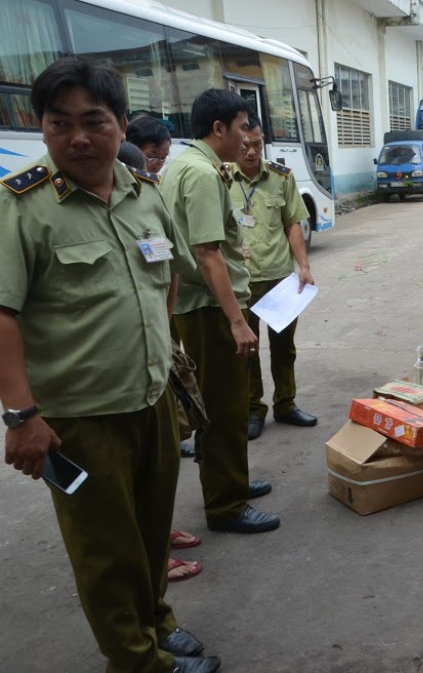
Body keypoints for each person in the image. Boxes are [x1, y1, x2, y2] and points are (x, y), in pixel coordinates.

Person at [0, 57, 219, 672]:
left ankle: (156, 624)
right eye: (58, 122)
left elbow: (168, 277)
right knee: (106, 548)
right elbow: (2, 316)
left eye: (93, 121)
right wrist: (21, 417)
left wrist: (161, 351)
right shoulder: (20, 205)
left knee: (151, 531)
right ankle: (136, 661)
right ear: (41, 128)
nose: (77, 137)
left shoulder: (144, 193)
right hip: (77, 419)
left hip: (150, 399)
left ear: (121, 125)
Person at [160, 89, 280, 534]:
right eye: (242, 126)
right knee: (225, 407)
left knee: (215, 401)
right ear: (219, 129)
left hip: (199, 304)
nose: (246, 137)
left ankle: (232, 482)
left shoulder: (182, 166)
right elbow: (207, 253)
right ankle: (226, 505)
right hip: (212, 308)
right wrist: (235, 319)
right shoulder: (203, 174)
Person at [117, 141, 205, 583]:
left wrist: (164, 329)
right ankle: (148, 559)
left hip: (151, 363)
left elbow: (173, 266)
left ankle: (158, 534)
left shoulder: (148, 200)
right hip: (103, 382)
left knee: (157, 467)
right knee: (122, 480)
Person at [230, 115, 317, 440]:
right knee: (246, 351)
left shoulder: (281, 177)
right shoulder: (222, 178)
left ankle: (286, 404)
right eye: (245, 145)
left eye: (257, 144)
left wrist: (303, 266)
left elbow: (292, 223)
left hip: (280, 278)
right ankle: (253, 410)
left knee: (284, 348)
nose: (251, 152)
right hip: (241, 281)